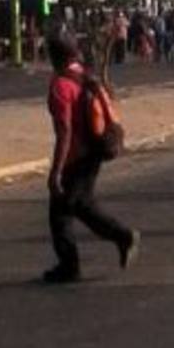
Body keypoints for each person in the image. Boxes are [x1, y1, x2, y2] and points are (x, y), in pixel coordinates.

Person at [43, 30, 139, 284]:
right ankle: (74, 262)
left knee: (65, 210)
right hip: (95, 149)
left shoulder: (60, 85)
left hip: (76, 156)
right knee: (77, 205)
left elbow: (64, 131)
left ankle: (117, 239)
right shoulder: (85, 75)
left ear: (53, 56)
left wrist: (56, 170)